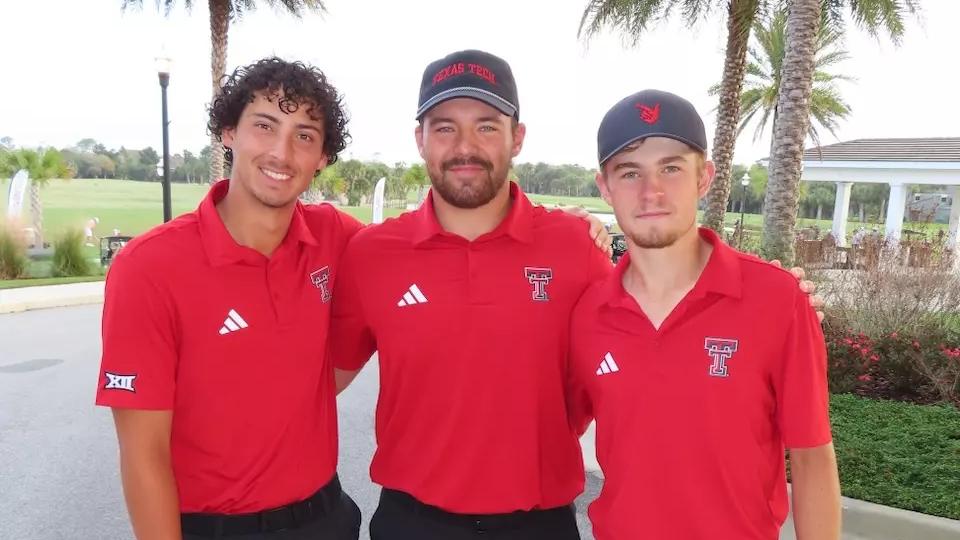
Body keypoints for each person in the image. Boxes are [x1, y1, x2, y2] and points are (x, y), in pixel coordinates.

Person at [330, 51, 823, 540]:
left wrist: (776, 298)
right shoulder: (372, 253)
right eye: (444, 128)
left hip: (538, 525)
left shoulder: (574, 246)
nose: (465, 146)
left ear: (517, 137)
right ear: (420, 139)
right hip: (412, 522)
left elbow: (647, 322)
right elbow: (322, 378)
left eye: (486, 126)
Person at [95, 58, 363, 540]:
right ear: (228, 132)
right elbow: (142, 453)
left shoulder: (337, 237)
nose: (281, 152)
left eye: (304, 135)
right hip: (215, 529)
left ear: (323, 157)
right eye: (264, 126)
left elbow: (414, 259)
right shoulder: (149, 267)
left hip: (326, 518)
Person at [566, 89, 841, 540]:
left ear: (705, 177)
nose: (651, 191)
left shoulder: (777, 299)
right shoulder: (586, 314)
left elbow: (812, 457)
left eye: (671, 168)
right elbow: (549, 425)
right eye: (630, 172)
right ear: (605, 188)